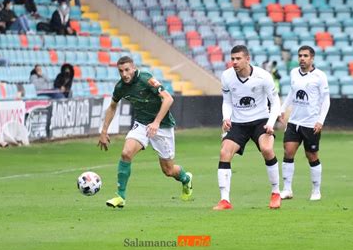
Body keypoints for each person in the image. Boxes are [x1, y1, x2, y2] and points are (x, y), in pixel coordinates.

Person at [97, 56, 193, 208]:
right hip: (141, 124)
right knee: (126, 153)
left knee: (168, 170)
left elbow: (168, 99)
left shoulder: (146, 79)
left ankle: (186, 179)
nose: (124, 74)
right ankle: (120, 196)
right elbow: (113, 106)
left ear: (133, 68)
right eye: (121, 71)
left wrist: (156, 122)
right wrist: (104, 131)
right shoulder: (120, 87)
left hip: (162, 126)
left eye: (127, 70)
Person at [213, 45, 281, 211]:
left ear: (247, 59)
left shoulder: (263, 76)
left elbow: (275, 102)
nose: (234, 62)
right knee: (224, 152)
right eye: (232, 59)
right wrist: (226, 118)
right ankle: (224, 200)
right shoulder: (227, 76)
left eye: (238, 59)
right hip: (238, 123)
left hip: (261, 120)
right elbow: (227, 101)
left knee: (266, 149)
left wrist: (271, 123)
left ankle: (276, 192)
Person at [279, 45, 330, 201]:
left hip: (311, 124)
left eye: (305, 56)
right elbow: (291, 92)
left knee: (312, 155)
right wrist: (282, 109)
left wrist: (320, 121)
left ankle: (316, 190)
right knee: (288, 152)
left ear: (312, 58)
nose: (302, 58)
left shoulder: (320, 76)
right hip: (294, 122)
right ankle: (287, 190)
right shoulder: (294, 73)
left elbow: (326, 100)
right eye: (300, 55)